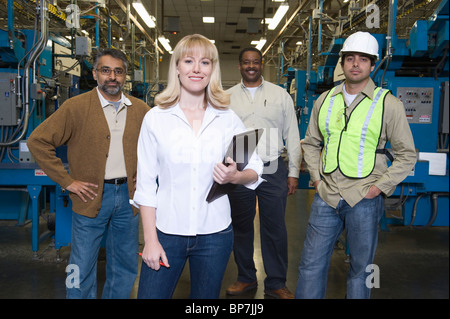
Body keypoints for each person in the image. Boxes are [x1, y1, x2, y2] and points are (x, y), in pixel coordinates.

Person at [132, 34, 263, 299]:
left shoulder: (227, 118)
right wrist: (151, 240)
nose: (196, 69)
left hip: (215, 234)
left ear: (212, 70)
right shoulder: (156, 119)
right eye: (189, 61)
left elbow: (256, 167)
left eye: (204, 62)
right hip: (167, 232)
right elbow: (145, 185)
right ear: (177, 67)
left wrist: (235, 176)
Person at [295, 31, 417, 299]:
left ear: (372, 65)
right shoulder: (324, 100)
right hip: (326, 196)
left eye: (363, 59)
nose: (355, 64)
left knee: (362, 269)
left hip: (364, 197)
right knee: (310, 265)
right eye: (350, 58)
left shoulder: (388, 104)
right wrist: (316, 179)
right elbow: (311, 143)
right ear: (342, 63)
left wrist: (379, 188)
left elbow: (407, 155)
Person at [27, 48, 150, 298]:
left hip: (129, 199)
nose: (112, 77)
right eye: (105, 70)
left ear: (126, 76)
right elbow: (37, 140)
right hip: (90, 197)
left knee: (125, 264)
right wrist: (67, 181)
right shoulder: (76, 107)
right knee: (80, 265)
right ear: (95, 74)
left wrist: (146, 180)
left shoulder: (141, 110)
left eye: (118, 71)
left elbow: (156, 151)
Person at [226, 47, 301, 299]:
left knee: (275, 228)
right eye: (246, 62)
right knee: (242, 226)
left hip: (272, 167)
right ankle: (245, 277)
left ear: (262, 65)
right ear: (239, 66)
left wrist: (293, 172)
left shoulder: (281, 96)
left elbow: (292, 135)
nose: (251, 66)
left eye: (255, 62)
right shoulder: (226, 98)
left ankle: (276, 282)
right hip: (240, 168)